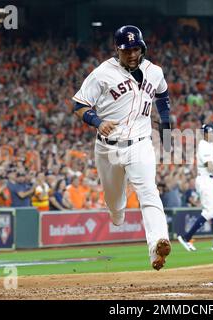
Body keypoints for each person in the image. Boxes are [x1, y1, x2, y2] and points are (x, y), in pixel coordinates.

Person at [72, 25, 171, 270]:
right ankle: (117, 214)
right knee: (115, 203)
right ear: (118, 50)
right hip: (107, 148)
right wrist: (98, 121)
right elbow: (79, 106)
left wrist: (166, 129)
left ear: (143, 47)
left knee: (149, 193)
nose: (133, 54)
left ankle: (158, 244)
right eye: (127, 50)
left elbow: (163, 97)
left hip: (140, 144)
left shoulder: (154, 71)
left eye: (136, 48)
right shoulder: (102, 73)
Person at [177, 123, 213, 251]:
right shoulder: (203, 145)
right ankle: (186, 237)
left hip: (212, 182)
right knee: (209, 212)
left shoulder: (210, 145)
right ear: (204, 134)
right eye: (211, 132)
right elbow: (209, 166)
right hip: (206, 180)